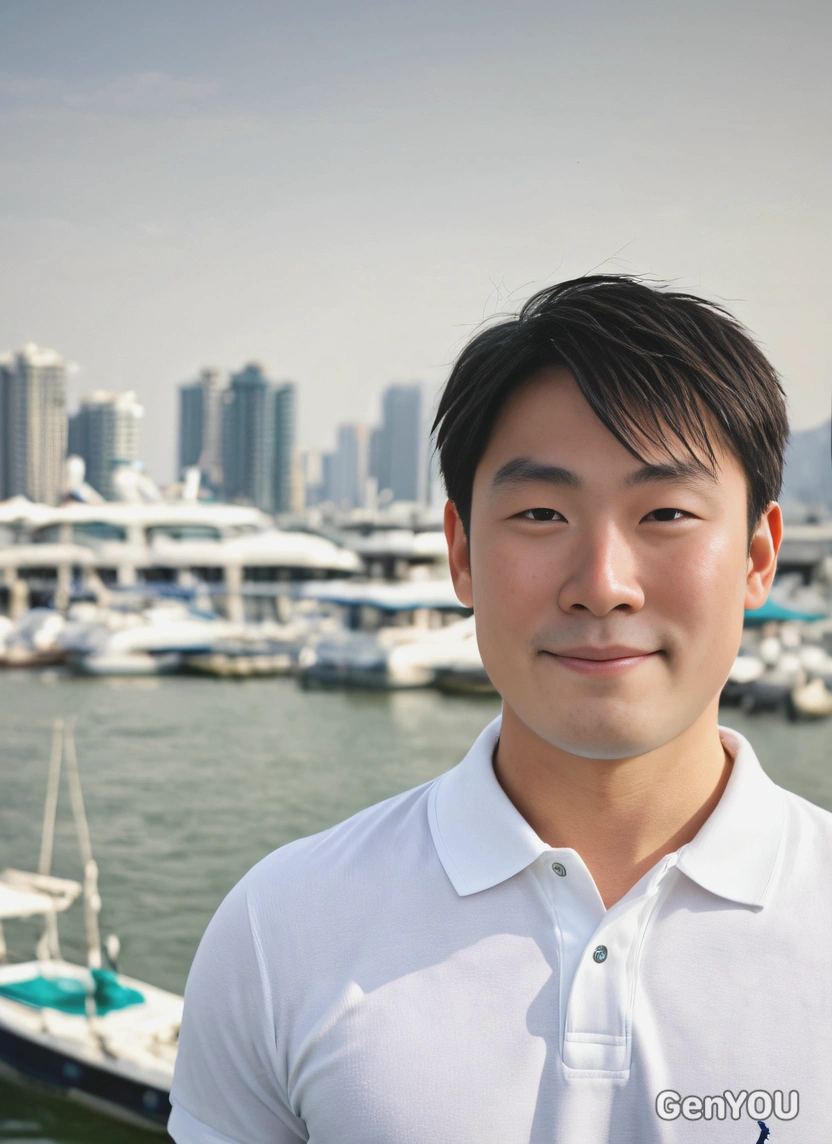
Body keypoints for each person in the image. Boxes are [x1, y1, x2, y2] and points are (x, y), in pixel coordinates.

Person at [168, 275, 831, 1143]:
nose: (602, 584)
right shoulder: (281, 929)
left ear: (756, 556)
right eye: (541, 512)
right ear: (463, 553)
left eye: (665, 511)